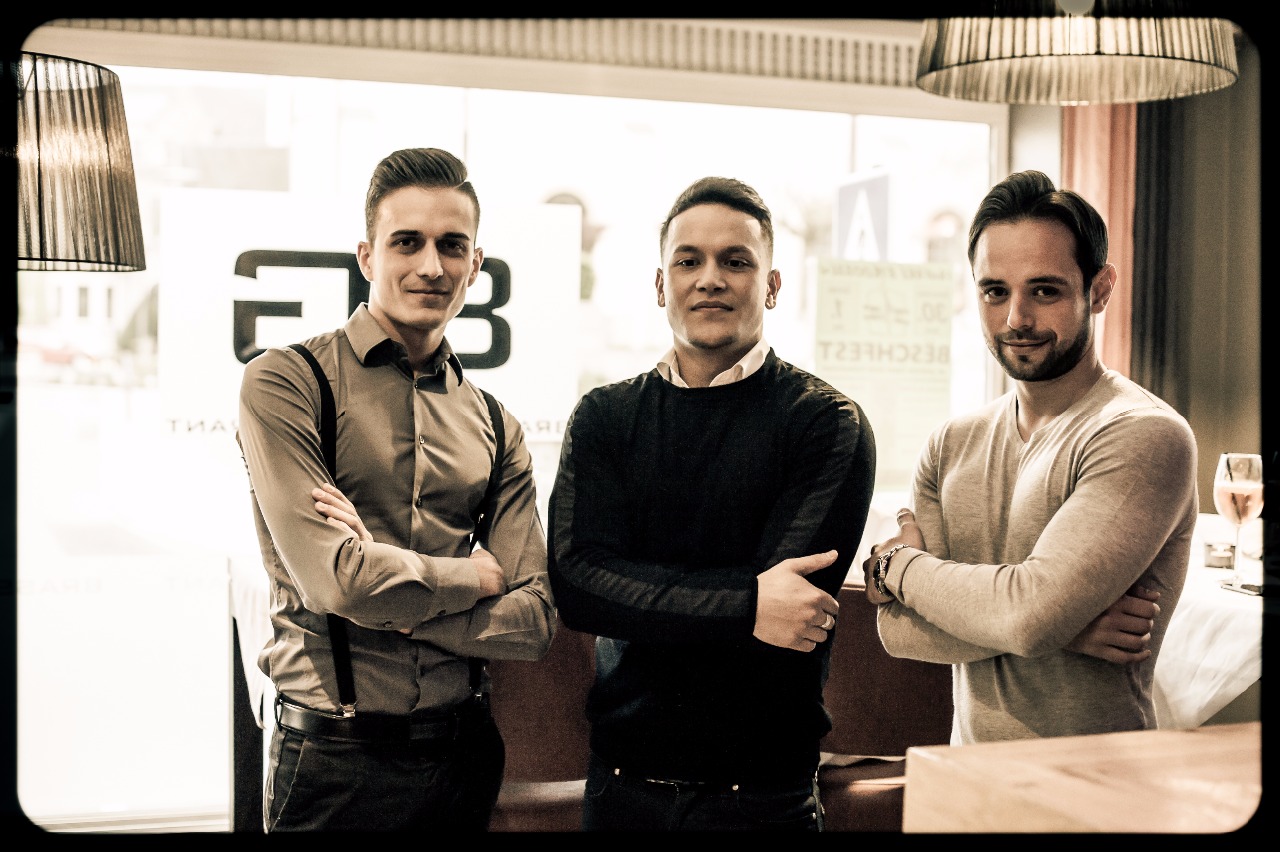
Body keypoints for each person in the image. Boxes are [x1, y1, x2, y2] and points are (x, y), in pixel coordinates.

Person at [236, 147, 555, 831]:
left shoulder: (496, 424)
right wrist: (473, 576)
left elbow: (533, 624)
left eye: (452, 245)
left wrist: (398, 603)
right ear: (367, 257)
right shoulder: (287, 382)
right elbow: (338, 581)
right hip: (336, 761)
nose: (431, 266)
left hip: (464, 754)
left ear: (476, 264)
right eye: (407, 242)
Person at [547, 176, 876, 831]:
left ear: (772, 286)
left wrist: (636, 590)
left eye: (736, 261)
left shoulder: (825, 423)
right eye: (688, 261)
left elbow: (788, 622)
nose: (710, 279)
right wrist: (749, 601)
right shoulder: (605, 416)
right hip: (620, 790)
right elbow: (578, 587)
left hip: (759, 798)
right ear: (661, 285)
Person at [862, 169, 1197, 744]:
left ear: (1100, 289)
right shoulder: (950, 443)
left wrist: (895, 567)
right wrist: (1062, 628)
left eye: (1044, 290)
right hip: (967, 777)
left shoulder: (1144, 435)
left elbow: (1028, 619)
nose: (1016, 318)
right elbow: (900, 631)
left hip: (1096, 781)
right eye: (995, 291)